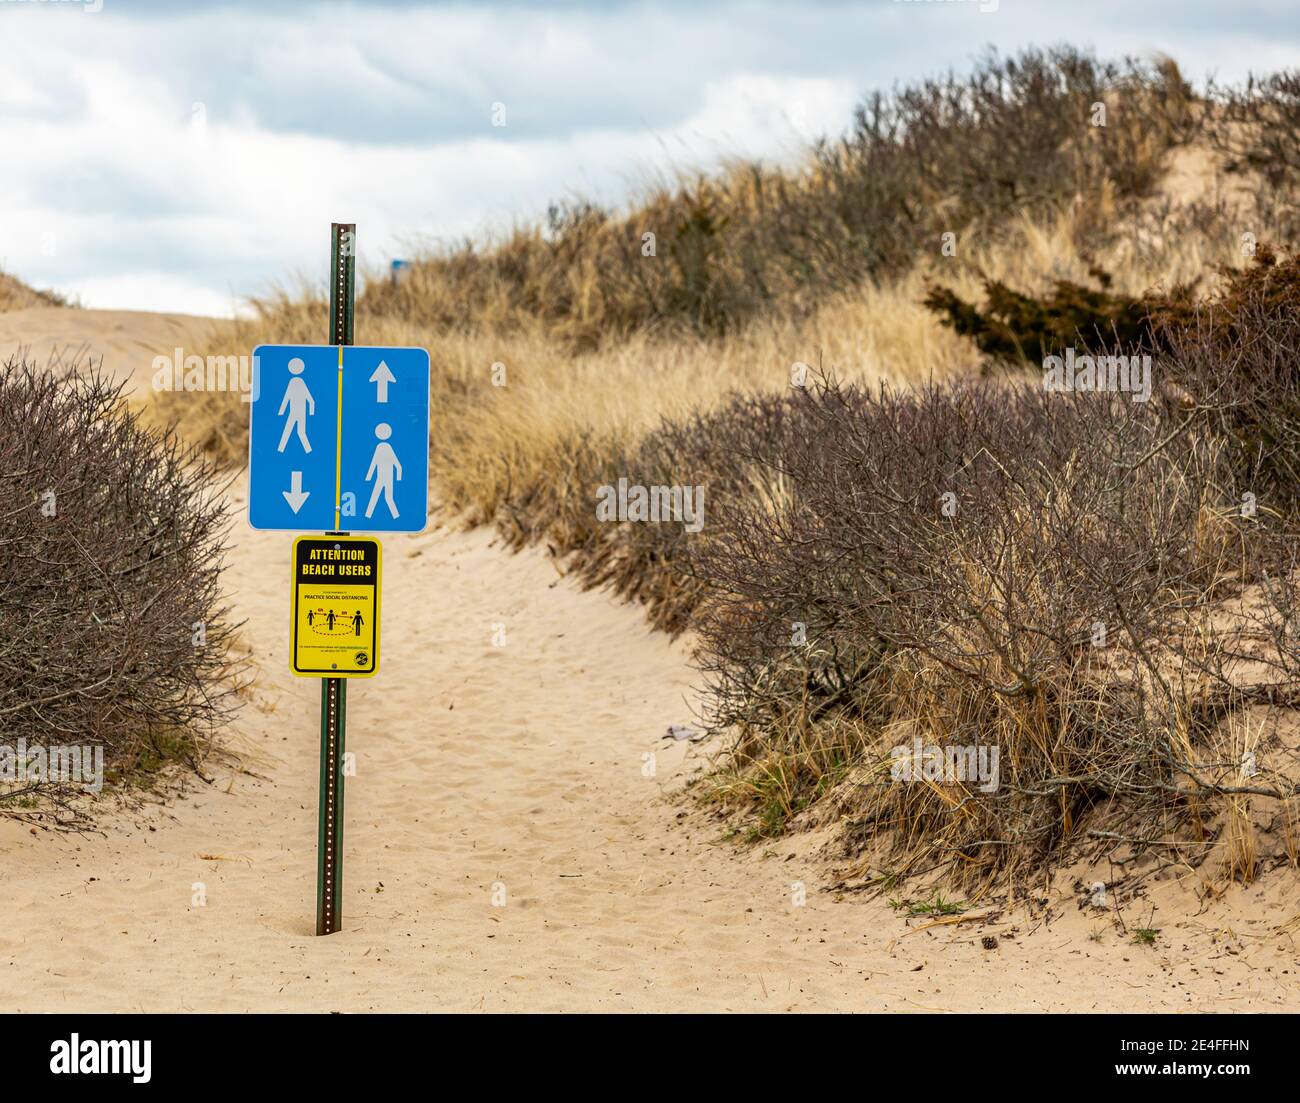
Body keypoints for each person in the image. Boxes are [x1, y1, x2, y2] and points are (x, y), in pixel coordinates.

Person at [276, 358, 315, 454]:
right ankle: (307, 450)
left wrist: (311, 411)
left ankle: (281, 450)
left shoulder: (296, 382)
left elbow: (287, 397)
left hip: (297, 412)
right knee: (295, 431)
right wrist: (282, 411)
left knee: (294, 431)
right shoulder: (295, 382)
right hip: (297, 412)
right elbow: (288, 397)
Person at [364, 423, 402, 519]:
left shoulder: (383, 447)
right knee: (383, 497)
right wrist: (369, 476)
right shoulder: (383, 447)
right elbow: (375, 462)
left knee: (383, 497)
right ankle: (395, 516)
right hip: (384, 477)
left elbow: (374, 463)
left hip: (385, 477)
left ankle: (369, 515)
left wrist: (399, 477)